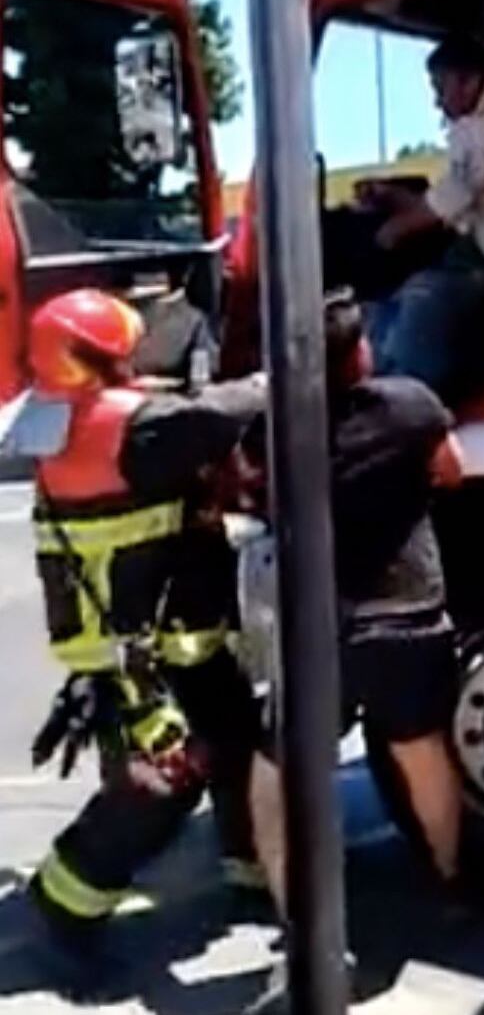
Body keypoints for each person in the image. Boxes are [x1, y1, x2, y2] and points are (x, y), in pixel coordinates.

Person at [3, 289, 265, 988]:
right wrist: (292, 363)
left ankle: (251, 866)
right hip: (145, 654)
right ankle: (65, 901)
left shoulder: (57, 420)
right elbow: (231, 408)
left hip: (165, 638)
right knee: (162, 784)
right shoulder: (143, 427)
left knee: (239, 735)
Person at [241, 291, 466, 1014]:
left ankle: (295, 915)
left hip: (323, 628)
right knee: (421, 749)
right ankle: (448, 882)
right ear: (359, 352)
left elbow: (252, 495)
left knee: (275, 770)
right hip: (409, 615)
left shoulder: (276, 427)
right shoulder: (411, 405)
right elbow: (452, 471)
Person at [363, 34, 484, 408]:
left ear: (469, 81)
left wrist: (393, 229)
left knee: (421, 298)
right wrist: (393, 197)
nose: (437, 100)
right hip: (482, 245)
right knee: (392, 303)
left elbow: (455, 197)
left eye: (440, 87)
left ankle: (397, 405)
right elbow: (456, 197)